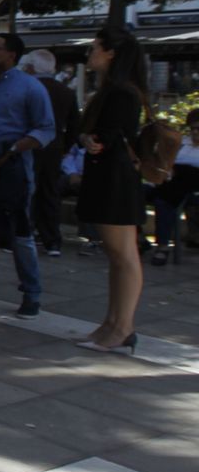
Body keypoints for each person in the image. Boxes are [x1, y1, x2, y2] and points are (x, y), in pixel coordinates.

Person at [76, 26, 149, 354]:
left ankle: (122, 326)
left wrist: (91, 139)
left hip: (115, 179)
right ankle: (114, 323)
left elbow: (107, 134)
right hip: (111, 177)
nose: (90, 54)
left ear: (111, 53)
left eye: (95, 48)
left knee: (124, 255)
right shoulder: (117, 89)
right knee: (118, 256)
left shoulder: (121, 92)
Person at [0, 33, 54, 318]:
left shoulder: (30, 88)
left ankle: (31, 294)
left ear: (11, 54)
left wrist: (15, 148)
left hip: (13, 166)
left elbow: (46, 128)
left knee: (20, 232)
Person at [20, 49, 80, 257]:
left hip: (28, 145)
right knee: (50, 192)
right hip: (54, 148)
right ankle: (52, 239)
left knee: (28, 190)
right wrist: (64, 146)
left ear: (30, 68)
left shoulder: (28, 88)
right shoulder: (65, 92)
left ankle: (25, 233)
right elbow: (74, 125)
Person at [152, 109, 199, 265]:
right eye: (193, 128)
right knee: (135, 193)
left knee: (166, 199)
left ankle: (163, 247)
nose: (195, 132)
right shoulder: (181, 143)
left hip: (192, 187)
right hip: (170, 182)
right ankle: (139, 240)